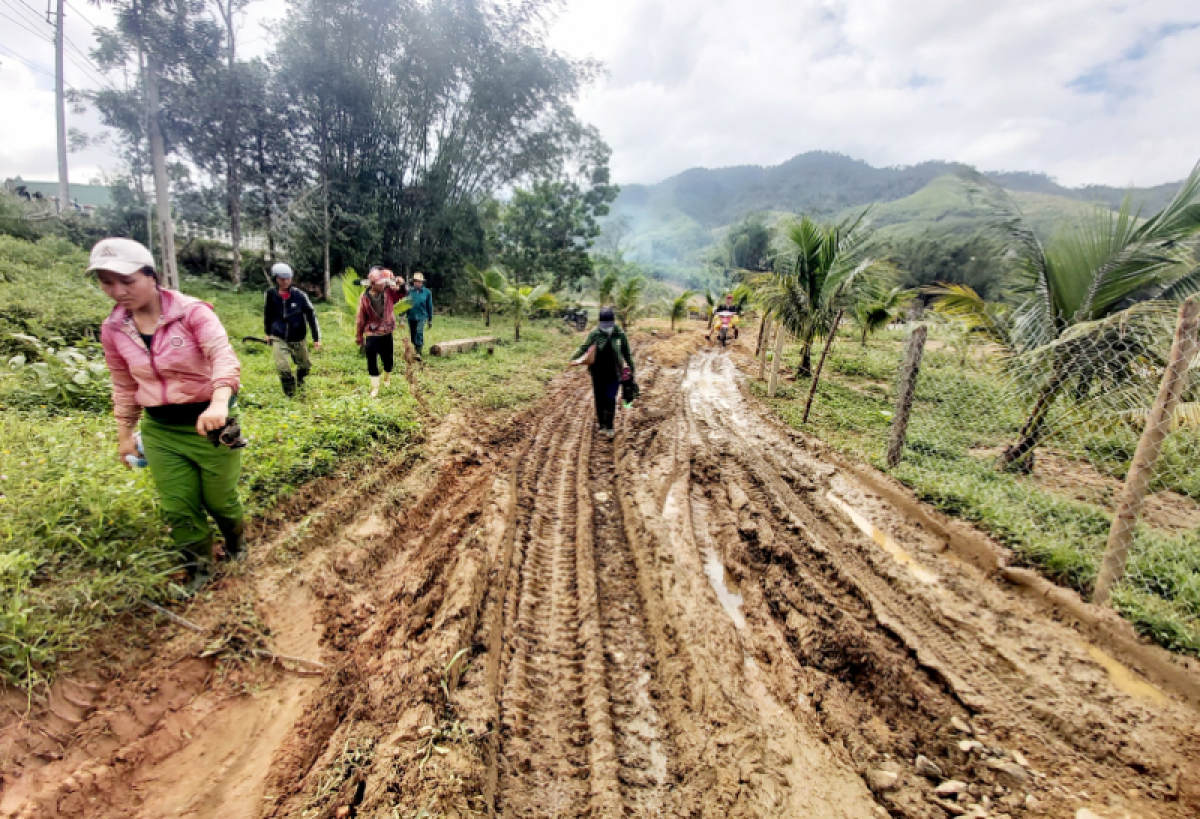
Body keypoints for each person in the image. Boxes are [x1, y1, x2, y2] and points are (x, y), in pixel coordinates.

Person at [93, 237, 245, 592]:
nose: (118, 291)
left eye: (127, 281)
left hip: (216, 422)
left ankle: (237, 544)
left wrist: (219, 403)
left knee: (221, 500)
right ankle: (198, 571)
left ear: (151, 276)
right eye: (107, 282)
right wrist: (125, 434)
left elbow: (223, 357)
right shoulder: (113, 329)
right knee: (178, 506)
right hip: (160, 428)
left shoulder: (193, 313)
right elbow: (123, 384)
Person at [570, 306, 634, 438]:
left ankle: (609, 426)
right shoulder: (595, 333)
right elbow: (584, 347)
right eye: (603, 323)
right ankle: (601, 425)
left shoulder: (619, 334)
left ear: (613, 321)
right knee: (599, 399)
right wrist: (573, 359)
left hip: (614, 372)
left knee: (610, 398)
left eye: (608, 323)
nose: (606, 326)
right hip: (598, 372)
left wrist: (632, 370)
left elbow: (626, 353)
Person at [263, 263, 321, 396]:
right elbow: (268, 314)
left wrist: (316, 338)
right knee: (282, 368)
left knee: (305, 366)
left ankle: (301, 383)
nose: (285, 282)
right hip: (278, 336)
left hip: (298, 336)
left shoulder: (300, 296)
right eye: (282, 279)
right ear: (276, 279)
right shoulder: (271, 294)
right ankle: (290, 394)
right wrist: (267, 333)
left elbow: (311, 316)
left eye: (288, 279)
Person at [355, 266, 407, 397]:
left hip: (387, 331)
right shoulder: (365, 297)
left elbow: (401, 294)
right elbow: (360, 317)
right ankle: (375, 387)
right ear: (372, 284)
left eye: (384, 283)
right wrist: (359, 335)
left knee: (388, 360)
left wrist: (402, 284)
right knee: (371, 360)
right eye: (380, 283)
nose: (383, 285)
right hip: (372, 333)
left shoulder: (388, 292)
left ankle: (387, 378)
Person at [406, 271, 434, 360]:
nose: (417, 283)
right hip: (411, 316)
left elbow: (429, 306)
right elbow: (405, 304)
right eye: (416, 281)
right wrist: (402, 317)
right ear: (413, 282)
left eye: (419, 281)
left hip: (422, 316)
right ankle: (415, 349)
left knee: (419, 332)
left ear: (422, 282)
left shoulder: (427, 293)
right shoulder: (409, 292)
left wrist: (430, 319)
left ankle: (419, 352)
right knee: (413, 334)